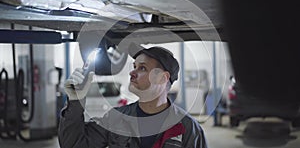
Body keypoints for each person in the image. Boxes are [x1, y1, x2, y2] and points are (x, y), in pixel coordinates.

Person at [58, 46, 208, 148]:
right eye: (134, 66)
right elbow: (74, 145)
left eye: (142, 68)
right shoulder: (116, 118)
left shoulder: (188, 128)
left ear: (163, 78)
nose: (132, 72)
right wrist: (75, 101)